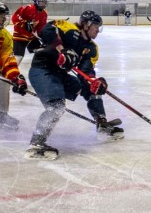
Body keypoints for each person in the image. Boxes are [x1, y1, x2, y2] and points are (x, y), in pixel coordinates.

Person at [25, 11, 123, 160]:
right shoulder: (68, 28)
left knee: (93, 89)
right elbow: (47, 29)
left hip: (60, 75)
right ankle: (36, 144)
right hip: (43, 70)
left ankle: (101, 123)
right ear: (86, 24)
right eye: (96, 26)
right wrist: (61, 50)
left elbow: (86, 71)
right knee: (57, 106)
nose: (98, 30)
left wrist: (94, 81)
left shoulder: (92, 48)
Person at [0, 3, 28, 129]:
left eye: (4, 15)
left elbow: (7, 59)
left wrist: (16, 77)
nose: (5, 19)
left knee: (4, 82)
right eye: (1, 16)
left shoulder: (5, 36)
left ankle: (1, 114)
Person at [11, 0, 48, 64]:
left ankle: (39, 67)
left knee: (41, 50)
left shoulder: (44, 14)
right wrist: (24, 24)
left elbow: (41, 28)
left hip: (31, 37)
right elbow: (14, 17)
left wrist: (44, 36)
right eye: (40, 2)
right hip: (20, 36)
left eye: (44, 2)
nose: (42, 4)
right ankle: (11, 71)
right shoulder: (28, 8)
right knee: (18, 56)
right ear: (35, 2)